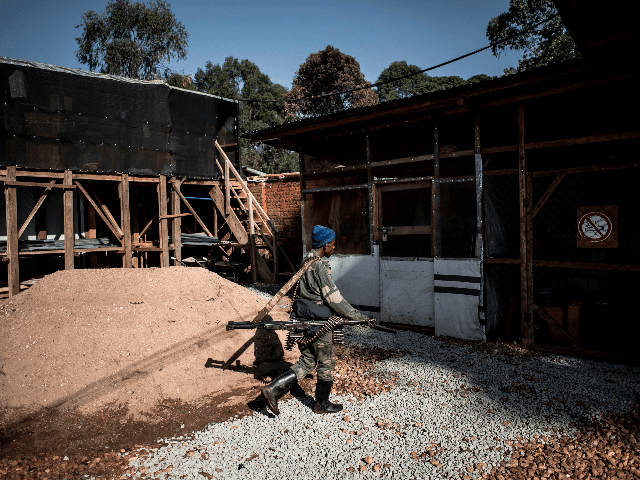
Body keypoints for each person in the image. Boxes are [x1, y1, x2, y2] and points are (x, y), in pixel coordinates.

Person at [261, 225, 370, 415]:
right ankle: (321, 403)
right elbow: (334, 299)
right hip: (318, 321)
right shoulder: (318, 265)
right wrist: (359, 317)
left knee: (307, 361)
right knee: (327, 361)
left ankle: (272, 390)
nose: (334, 248)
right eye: (333, 245)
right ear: (325, 245)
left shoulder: (307, 259)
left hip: (304, 317)